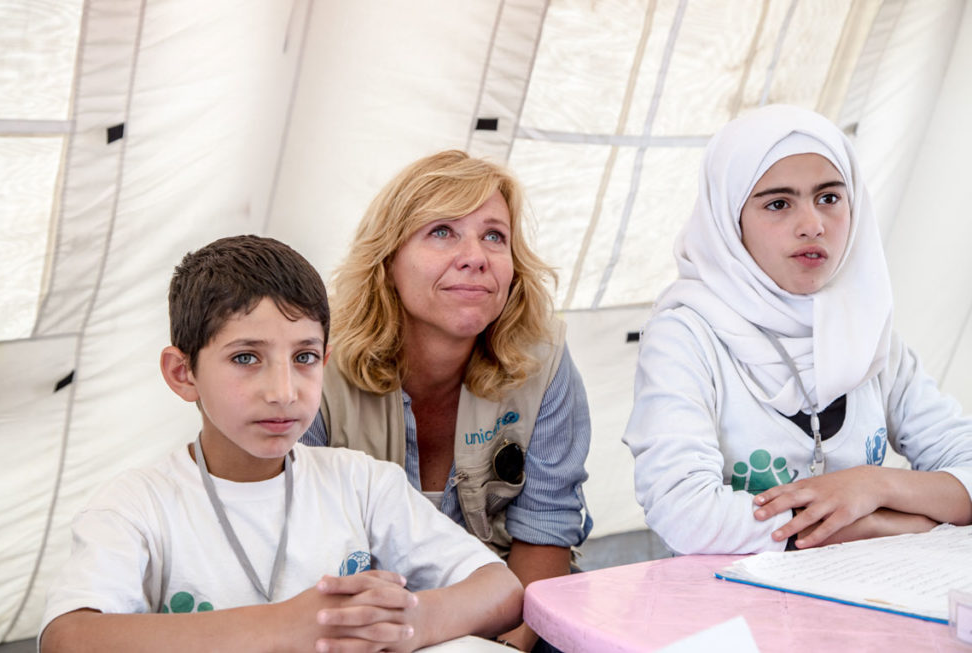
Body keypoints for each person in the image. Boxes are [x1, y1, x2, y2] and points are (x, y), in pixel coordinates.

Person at [39, 235, 523, 652]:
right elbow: (68, 637)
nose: (283, 391)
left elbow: (500, 589)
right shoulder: (138, 505)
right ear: (183, 374)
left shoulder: (361, 482)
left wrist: (408, 623)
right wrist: (289, 625)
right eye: (246, 356)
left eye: (304, 357)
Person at [624, 104, 972, 556]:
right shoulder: (686, 337)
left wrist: (871, 485)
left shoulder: (865, 328)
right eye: (778, 203)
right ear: (731, 222)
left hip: (867, 599)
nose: (812, 225)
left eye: (829, 198)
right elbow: (683, 510)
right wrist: (871, 526)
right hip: (729, 612)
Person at [301, 150, 591, 651]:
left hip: (509, 620)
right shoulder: (313, 365)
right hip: (362, 630)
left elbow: (545, 535)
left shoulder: (543, 361)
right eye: (442, 231)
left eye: (494, 235)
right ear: (387, 258)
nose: (475, 255)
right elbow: (292, 549)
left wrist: (503, 650)